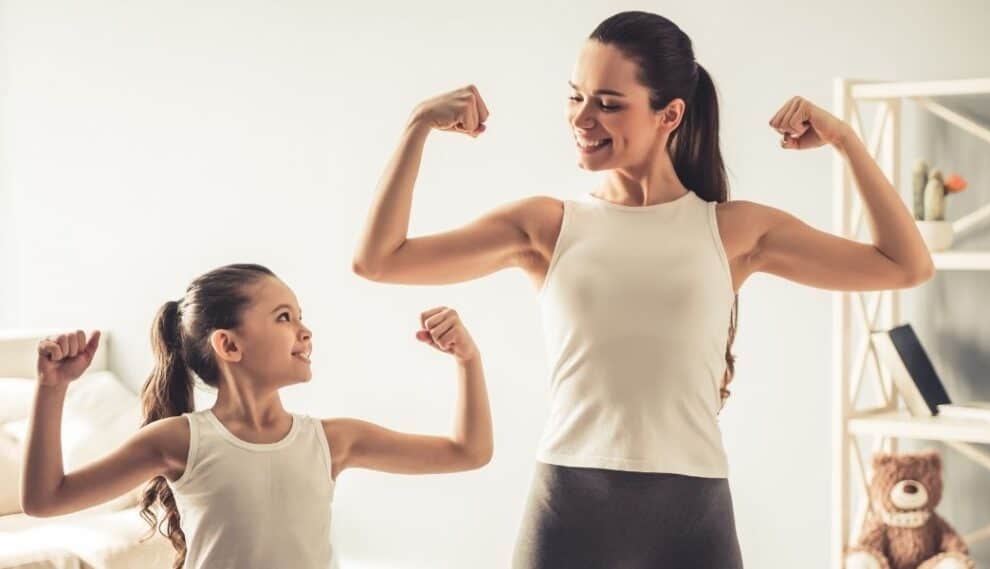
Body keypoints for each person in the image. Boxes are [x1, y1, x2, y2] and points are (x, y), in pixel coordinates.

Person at [353, 10, 934, 568]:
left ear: (669, 115)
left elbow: (904, 266)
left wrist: (845, 141)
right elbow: (379, 260)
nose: (583, 119)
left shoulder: (732, 231)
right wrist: (417, 127)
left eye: (608, 104)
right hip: (568, 507)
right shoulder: (545, 228)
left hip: (693, 519)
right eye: (576, 96)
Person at [21, 263, 493, 569]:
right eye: (284, 317)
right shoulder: (180, 441)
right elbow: (46, 499)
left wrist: (468, 360)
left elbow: (468, 452)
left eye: (300, 316)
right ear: (228, 345)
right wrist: (52, 388)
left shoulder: (334, 440)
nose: (306, 331)